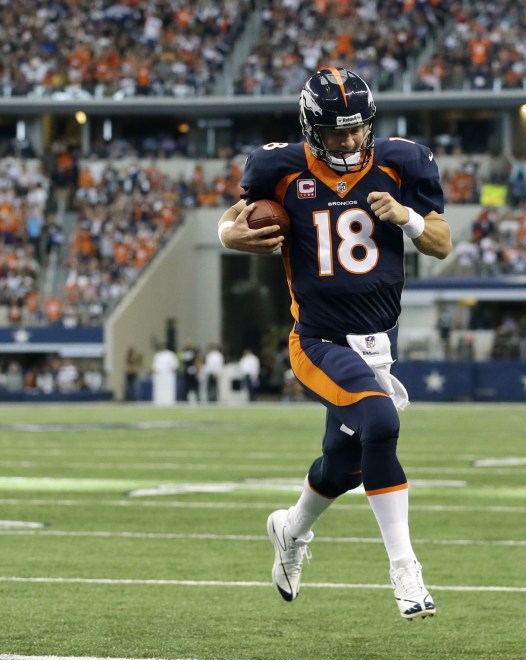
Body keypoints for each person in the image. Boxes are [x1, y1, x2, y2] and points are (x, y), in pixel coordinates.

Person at [217, 67, 451, 620]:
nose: (346, 141)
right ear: (309, 126)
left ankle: (290, 531)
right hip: (318, 340)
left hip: (378, 343)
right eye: (334, 131)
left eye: (354, 130)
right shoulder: (278, 166)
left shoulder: (402, 161)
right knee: (381, 423)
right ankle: (405, 569)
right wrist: (230, 235)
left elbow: (441, 242)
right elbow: (232, 219)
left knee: (342, 466)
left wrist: (407, 217)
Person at [151, 342, 179, 406]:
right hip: (159, 375)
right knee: (159, 390)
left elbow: (175, 364)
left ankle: (169, 401)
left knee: (168, 390)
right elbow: (154, 365)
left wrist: (170, 368)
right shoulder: (157, 355)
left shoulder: (171, 354)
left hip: (168, 375)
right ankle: (159, 401)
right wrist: (155, 369)